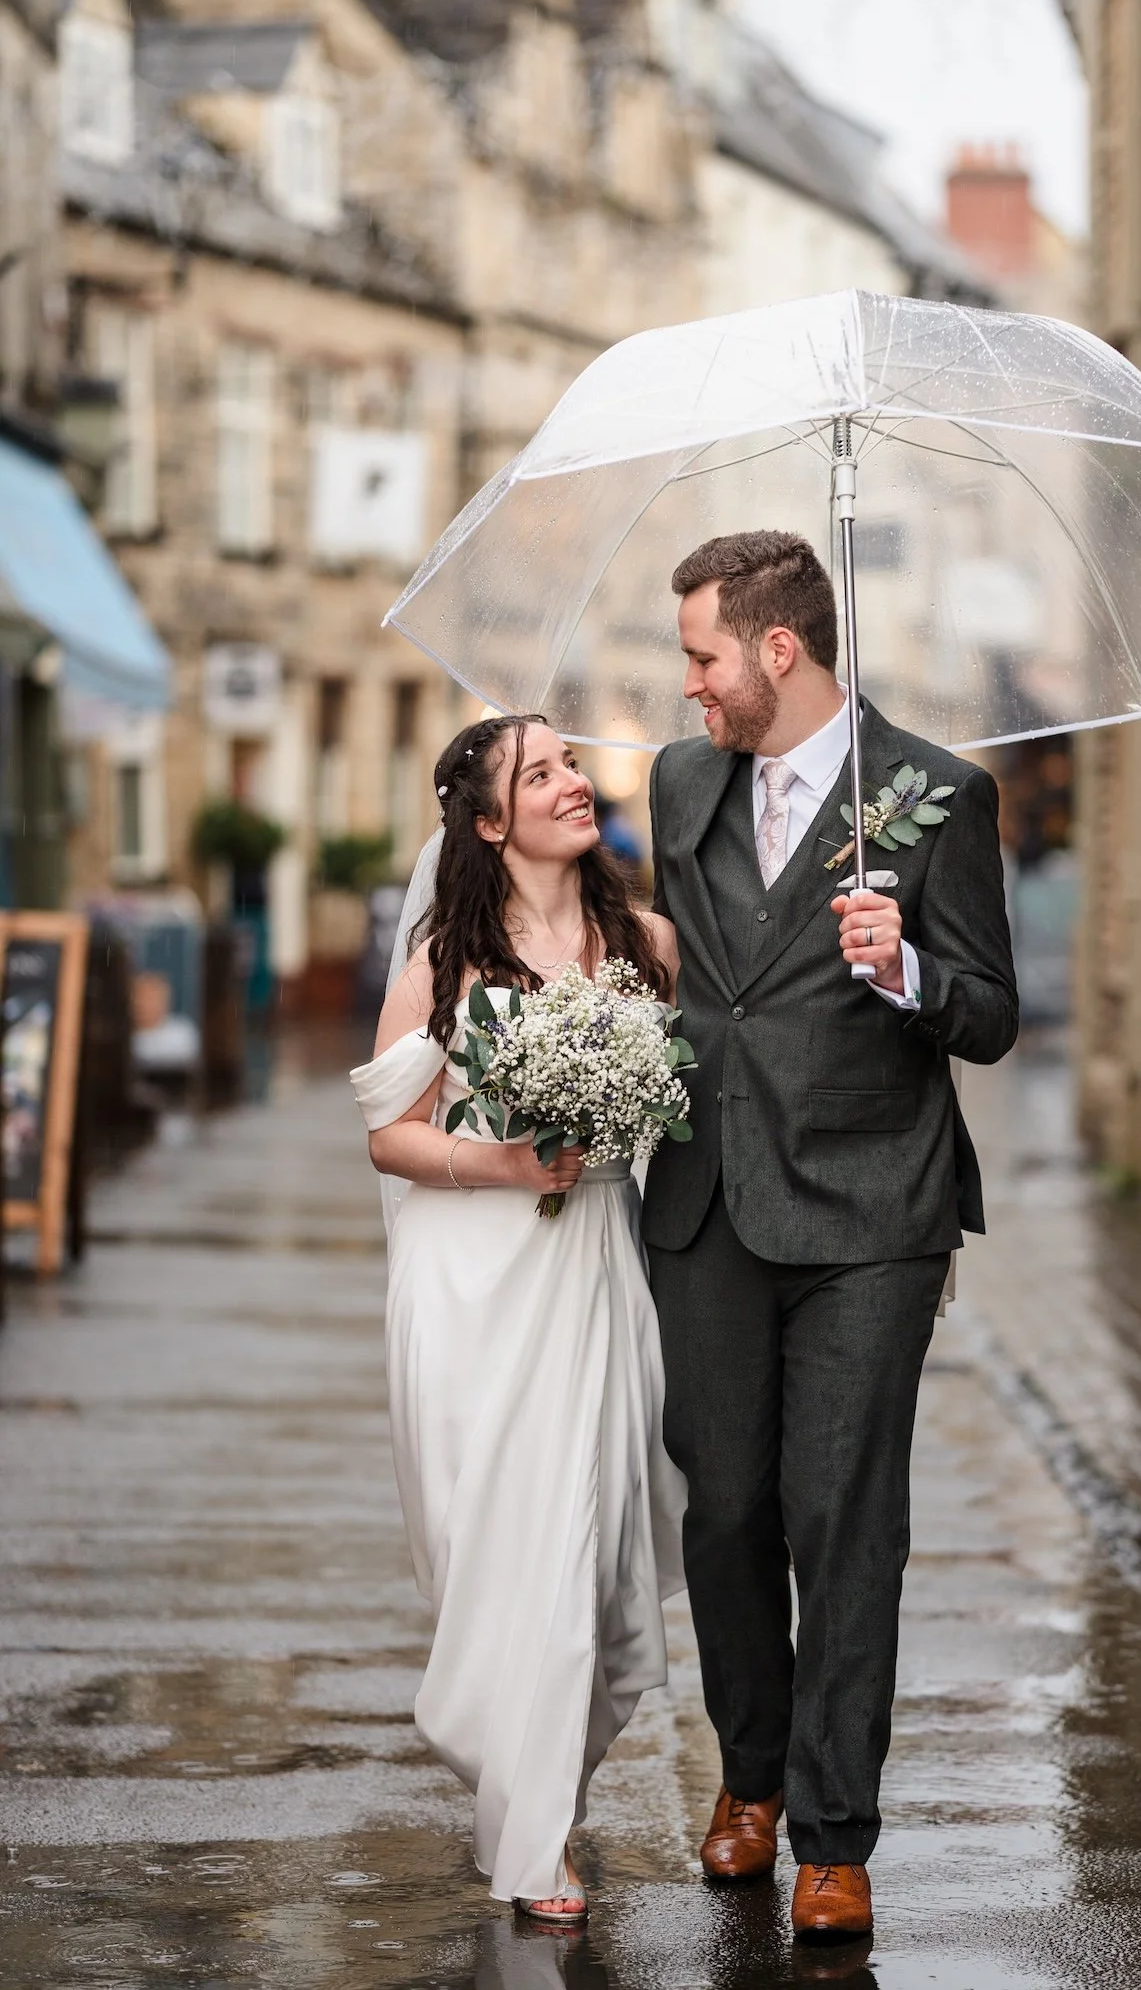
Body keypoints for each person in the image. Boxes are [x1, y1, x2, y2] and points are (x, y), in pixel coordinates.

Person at [643, 531, 1018, 1941]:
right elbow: (676, 964)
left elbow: (989, 1012)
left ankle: (833, 1829)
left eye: (701, 657)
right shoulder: (683, 784)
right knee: (727, 1503)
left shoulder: (935, 795)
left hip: (872, 1209)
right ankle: (745, 1775)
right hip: (705, 1201)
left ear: (776, 651)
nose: (687, 686)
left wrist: (904, 965)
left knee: (841, 1513)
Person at [349, 714, 685, 1922]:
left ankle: (541, 1819)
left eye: (568, 763)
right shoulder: (445, 961)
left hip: (595, 1269)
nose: (572, 782)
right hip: (468, 1280)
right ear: (489, 822)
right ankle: (530, 1822)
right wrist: (511, 1163)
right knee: (501, 1552)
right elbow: (389, 1134)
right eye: (539, 772)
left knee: (589, 1551)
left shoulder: (644, 943)